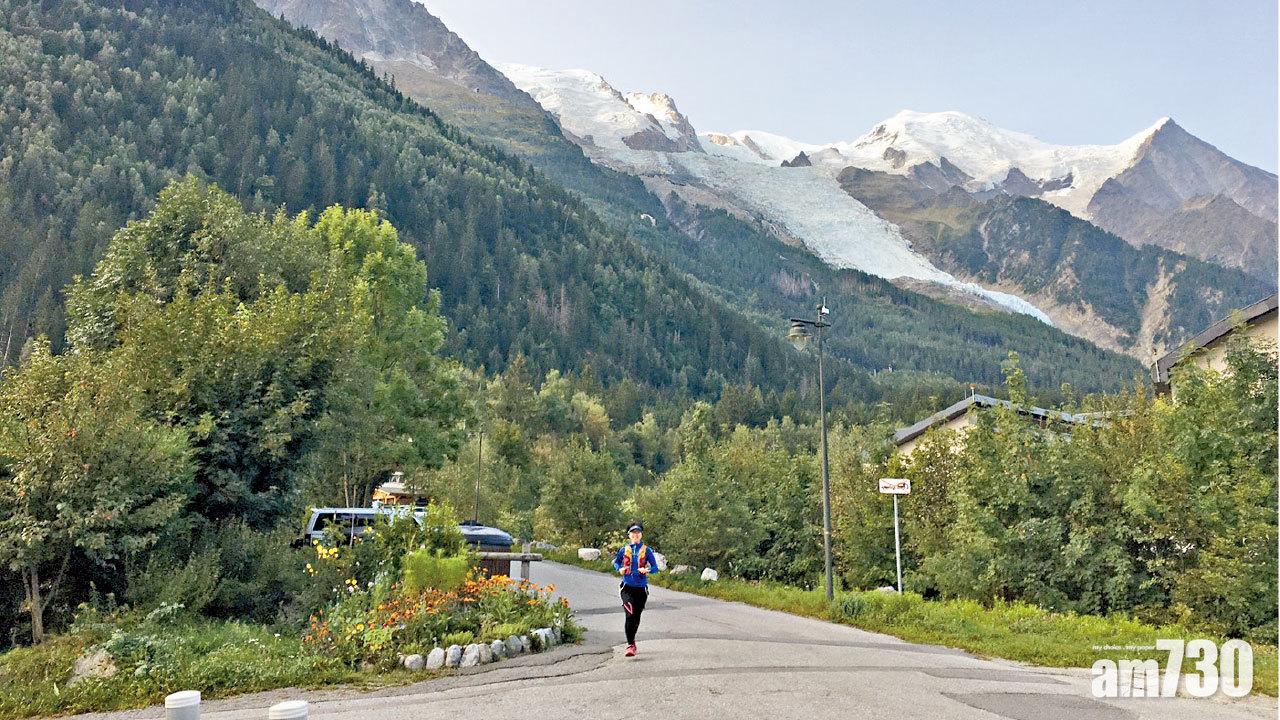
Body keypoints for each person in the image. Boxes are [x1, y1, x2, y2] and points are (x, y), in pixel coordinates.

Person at [613, 521, 659, 657]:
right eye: (633, 533)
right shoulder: (624, 550)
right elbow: (616, 562)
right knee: (630, 615)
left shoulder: (647, 550)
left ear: (641, 534)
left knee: (636, 617)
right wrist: (619, 569)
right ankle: (630, 645)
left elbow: (655, 568)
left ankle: (632, 642)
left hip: (641, 589)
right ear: (629, 535)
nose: (635, 535)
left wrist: (647, 570)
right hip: (627, 588)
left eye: (638, 532)